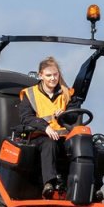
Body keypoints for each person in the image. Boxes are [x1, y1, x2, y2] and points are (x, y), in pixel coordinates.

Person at [18, 56, 76, 197]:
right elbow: (26, 118)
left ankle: (87, 185)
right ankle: (49, 184)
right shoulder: (30, 94)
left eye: (55, 75)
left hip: (63, 135)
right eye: (48, 75)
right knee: (49, 143)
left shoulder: (66, 93)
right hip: (39, 135)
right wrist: (45, 127)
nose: (52, 78)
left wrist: (65, 114)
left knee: (85, 144)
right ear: (41, 75)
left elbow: (74, 116)